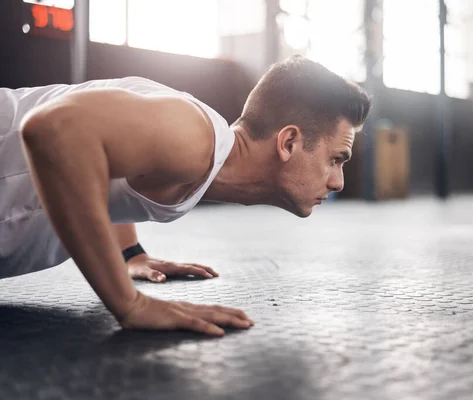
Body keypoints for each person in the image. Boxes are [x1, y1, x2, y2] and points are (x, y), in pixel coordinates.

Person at [0, 56, 372, 336]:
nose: (338, 181)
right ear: (289, 141)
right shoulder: (194, 135)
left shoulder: (198, 157)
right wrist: (128, 304)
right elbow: (52, 132)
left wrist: (131, 253)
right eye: (335, 159)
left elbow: (110, 161)